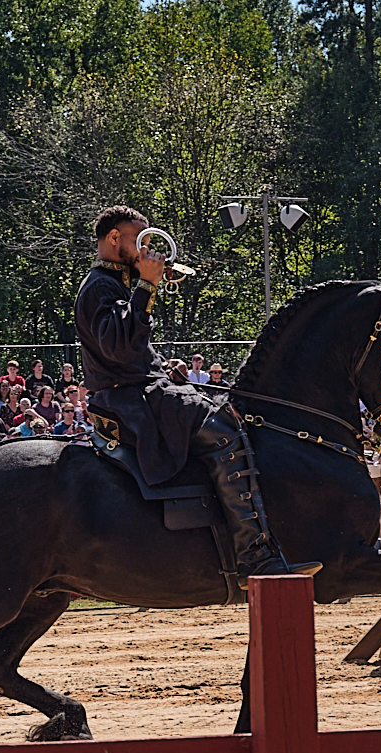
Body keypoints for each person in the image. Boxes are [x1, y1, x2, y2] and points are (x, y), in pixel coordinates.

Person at [74, 205, 318, 582]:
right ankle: (254, 557)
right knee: (225, 430)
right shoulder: (99, 287)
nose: (145, 249)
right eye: (140, 240)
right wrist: (147, 285)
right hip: (129, 400)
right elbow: (119, 349)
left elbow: (130, 348)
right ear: (114, 239)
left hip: (142, 388)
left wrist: (160, 364)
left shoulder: (114, 284)